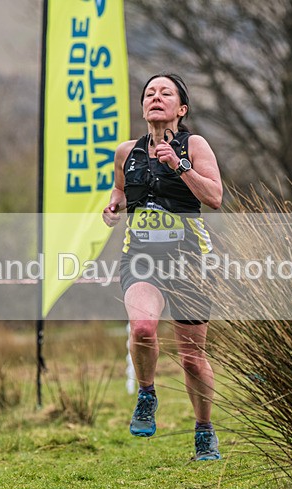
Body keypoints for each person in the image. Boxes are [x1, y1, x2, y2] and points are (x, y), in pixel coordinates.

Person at [102, 73, 223, 460]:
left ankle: (203, 428)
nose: (156, 98)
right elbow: (121, 188)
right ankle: (146, 394)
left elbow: (216, 197)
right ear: (143, 106)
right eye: (150, 93)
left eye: (165, 93)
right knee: (141, 328)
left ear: (181, 109)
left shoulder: (195, 144)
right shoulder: (126, 152)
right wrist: (114, 204)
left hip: (189, 260)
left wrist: (180, 164)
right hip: (140, 257)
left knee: (191, 357)